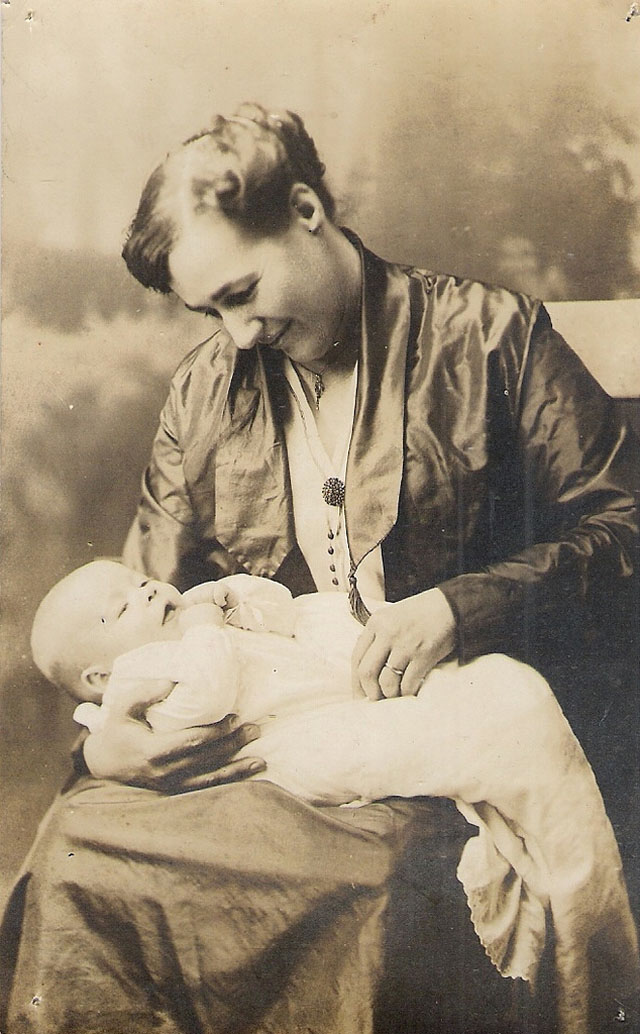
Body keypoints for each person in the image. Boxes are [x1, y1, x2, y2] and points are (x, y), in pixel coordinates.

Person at [2, 103, 638, 1034]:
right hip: (265, 738)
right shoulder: (204, 390)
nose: (239, 334)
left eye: (241, 291)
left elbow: (622, 530)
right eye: (210, 310)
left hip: (436, 735)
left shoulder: (493, 336)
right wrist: (105, 745)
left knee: (374, 881)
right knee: (73, 845)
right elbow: (136, 598)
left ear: (306, 209)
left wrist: (462, 608)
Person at [27, 558, 640, 1030]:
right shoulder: (146, 674)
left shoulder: (180, 625)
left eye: (140, 581)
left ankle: (587, 942)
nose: (149, 592)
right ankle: (590, 967)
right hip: (293, 748)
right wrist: (197, 631)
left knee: (502, 695)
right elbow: (208, 693)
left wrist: (234, 596)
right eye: (122, 608)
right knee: (493, 721)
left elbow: (279, 608)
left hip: (345, 688)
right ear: (99, 678)